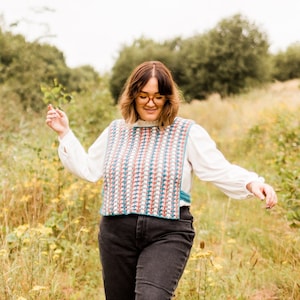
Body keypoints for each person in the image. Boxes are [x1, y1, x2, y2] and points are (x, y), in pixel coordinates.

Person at [46, 61, 277, 300]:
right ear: (133, 96)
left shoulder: (187, 132)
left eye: (158, 96)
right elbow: (88, 169)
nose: (150, 102)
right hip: (116, 233)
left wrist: (252, 183)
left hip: (168, 232)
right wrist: (65, 134)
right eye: (143, 95)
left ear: (168, 98)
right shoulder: (115, 131)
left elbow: (218, 169)